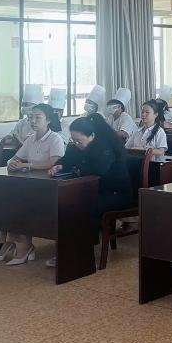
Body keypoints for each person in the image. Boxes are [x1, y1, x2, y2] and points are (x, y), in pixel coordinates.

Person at [46, 113, 133, 268]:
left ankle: (81, 251)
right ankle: (71, 248)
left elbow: (98, 170)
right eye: (73, 140)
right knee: (66, 204)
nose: (76, 143)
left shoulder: (104, 147)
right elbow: (67, 159)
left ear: (92, 135)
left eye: (79, 140)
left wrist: (77, 168)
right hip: (93, 191)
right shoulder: (78, 146)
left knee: (80, 207)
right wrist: (59, 165)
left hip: (116, 193)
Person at [0, 103, 65, 265]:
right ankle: (11, 243)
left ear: (48, 120)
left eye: (38, 117)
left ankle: (22, 246)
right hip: (29, 185)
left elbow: (53, 163)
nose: (33, 121)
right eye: (30, 117)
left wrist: (26, 165)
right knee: (4, 202)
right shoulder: (30, 139)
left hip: (48, 188)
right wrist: (11, 163)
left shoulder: (55, 139)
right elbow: (16, 158)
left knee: (18, 205)